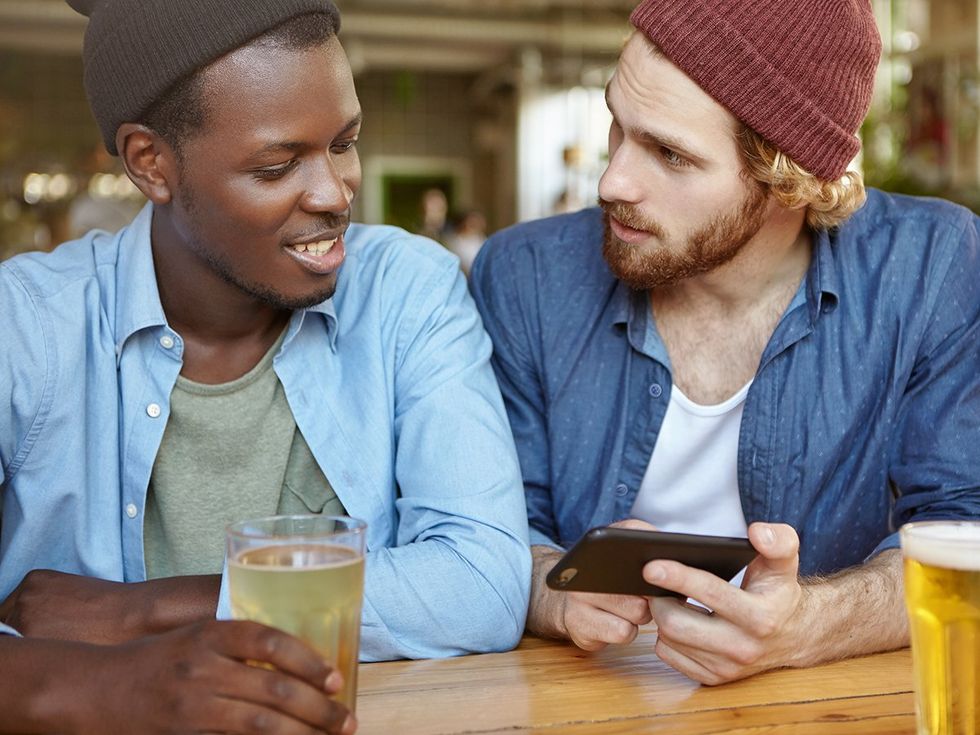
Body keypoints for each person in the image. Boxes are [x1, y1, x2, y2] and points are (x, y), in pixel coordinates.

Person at [0, 0, 530, 730]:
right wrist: (110, 686)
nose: (335, 192)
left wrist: (148, 610)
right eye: (278, 165)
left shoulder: (406, 290)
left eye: (345, 142)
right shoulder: (24, 328)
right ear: (152, 163)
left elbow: (483, 583)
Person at [471, 0, 980, 686]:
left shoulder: (930, 268)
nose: (611, 181)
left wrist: (812, 624)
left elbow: (963, 529)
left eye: (670, 153)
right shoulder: (526, 277)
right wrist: (548, 589)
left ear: (787, 177)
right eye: (617, 126)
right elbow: (488, 526)